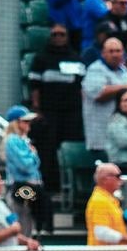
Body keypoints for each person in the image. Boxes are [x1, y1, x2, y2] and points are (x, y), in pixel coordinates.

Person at [28, 24, 86, 186]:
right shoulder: (41, 59)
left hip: (72, 113)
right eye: (54, 35)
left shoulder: (76, 58)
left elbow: (82, 87)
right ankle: (49, 184)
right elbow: (34, 86)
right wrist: (37, 109)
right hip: (49, 112)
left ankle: (69, 184)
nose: (58, 38)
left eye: (62, 34)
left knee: (69, 147)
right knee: (48, 149)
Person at [2, 105, 53, 237]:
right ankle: (44, 226)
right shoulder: (12, 141)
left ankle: (43, 227)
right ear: (16, 123)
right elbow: (26, 166)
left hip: (31, 186)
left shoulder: (24, 140)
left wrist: (33, 155)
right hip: (19, 188)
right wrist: (34, 154)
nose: (29, 124)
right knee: (22, 225)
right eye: (25, 121)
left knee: (32, 216)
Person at [81, 37, 127, 151]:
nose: (115, 54)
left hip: (121, 133)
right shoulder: (95, 69)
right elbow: (99, 93)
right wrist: (125, 88)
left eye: (118, 51)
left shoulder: (124, 71)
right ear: (103, 53)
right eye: (111, 51)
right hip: (100, 133)